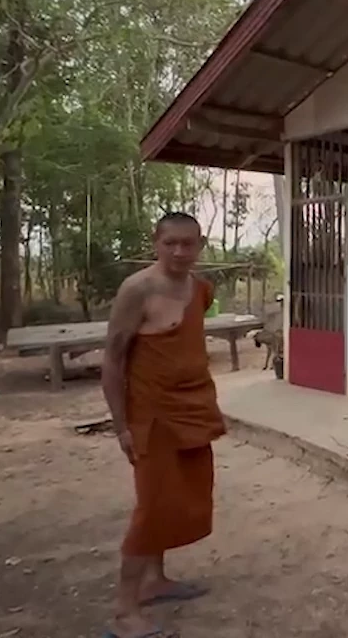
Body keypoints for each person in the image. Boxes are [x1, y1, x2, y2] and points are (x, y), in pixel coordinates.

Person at [101, 212, 226, 638]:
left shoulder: (199, 289)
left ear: (200, 244)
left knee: (181, 498)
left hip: (190, 407)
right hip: (150, 415)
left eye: (187, 244)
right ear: (156, 242)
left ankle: (155, 579)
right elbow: (114, 359)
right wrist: (121, 425)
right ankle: (123, 611)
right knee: (151, 506)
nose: (178, 252)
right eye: (170, 243)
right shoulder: (137, 289)